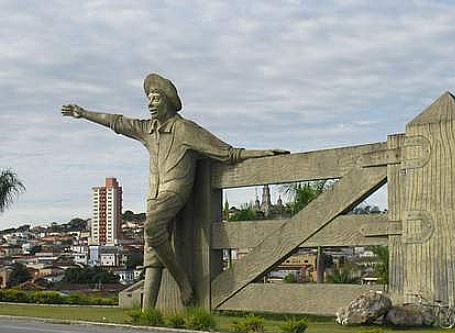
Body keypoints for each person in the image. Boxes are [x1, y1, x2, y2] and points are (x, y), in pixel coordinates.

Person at [62, 73, 288, 308]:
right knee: (151, 251)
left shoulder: (185, 129)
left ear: (168, 102)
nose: (150, 104)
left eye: (156, 99)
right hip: (154, 195)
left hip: (175, 190)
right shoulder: (147, 130)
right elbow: (117, 122)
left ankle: (183, 283)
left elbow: (226, 152)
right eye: (148, 99)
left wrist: (260, 153)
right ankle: (146, 312)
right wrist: (84, 113)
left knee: (151, 228)